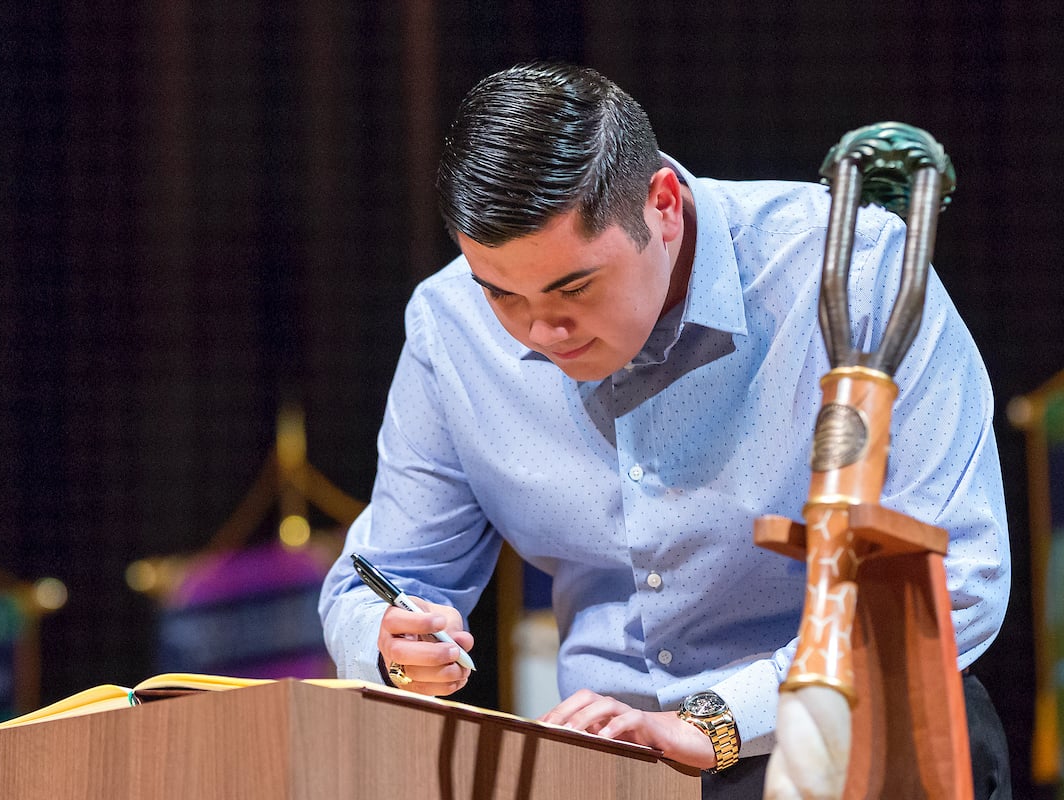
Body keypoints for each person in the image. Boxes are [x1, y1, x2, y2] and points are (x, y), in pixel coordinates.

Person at [318, 62, 1011, 798]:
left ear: (662, 207)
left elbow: (953, 584)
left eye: (574, 288)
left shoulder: (852, 269)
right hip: (609, 768)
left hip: (846, 741)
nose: (541, 331)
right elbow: (390, 575)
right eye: (501, 293)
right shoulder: (448, 326)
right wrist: (393, 642)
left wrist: (713, 723)